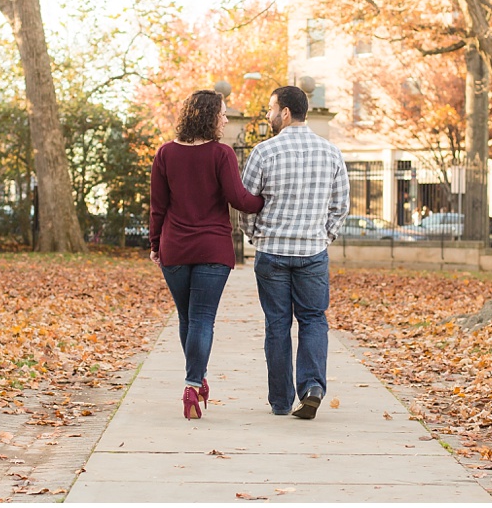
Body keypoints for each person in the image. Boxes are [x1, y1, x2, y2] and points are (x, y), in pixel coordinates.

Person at [149, 89, 265, 420]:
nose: (226, 119)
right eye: (222, 114)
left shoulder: (165, 154)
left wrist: (155, 244)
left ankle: (195, 381)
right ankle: (192, 382)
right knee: (201, 319)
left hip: (175, 248)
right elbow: (239, 199)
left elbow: (158, 207)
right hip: (213, 249)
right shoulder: (221, 154)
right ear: (209, 117)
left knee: (188, 318)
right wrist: (267, 199)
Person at [241, 86, 349, 419]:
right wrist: (324, 235)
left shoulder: (264, 151)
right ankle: (313, 387)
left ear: (285, 112)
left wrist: (254, 235)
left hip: (272, 251)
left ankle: (280, 400)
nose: (269, 115)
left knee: (277, 324)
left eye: (272, 109)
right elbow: (341, 205)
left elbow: (245, 203)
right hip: (312, 252)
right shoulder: (331, 152)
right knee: (314, 320)